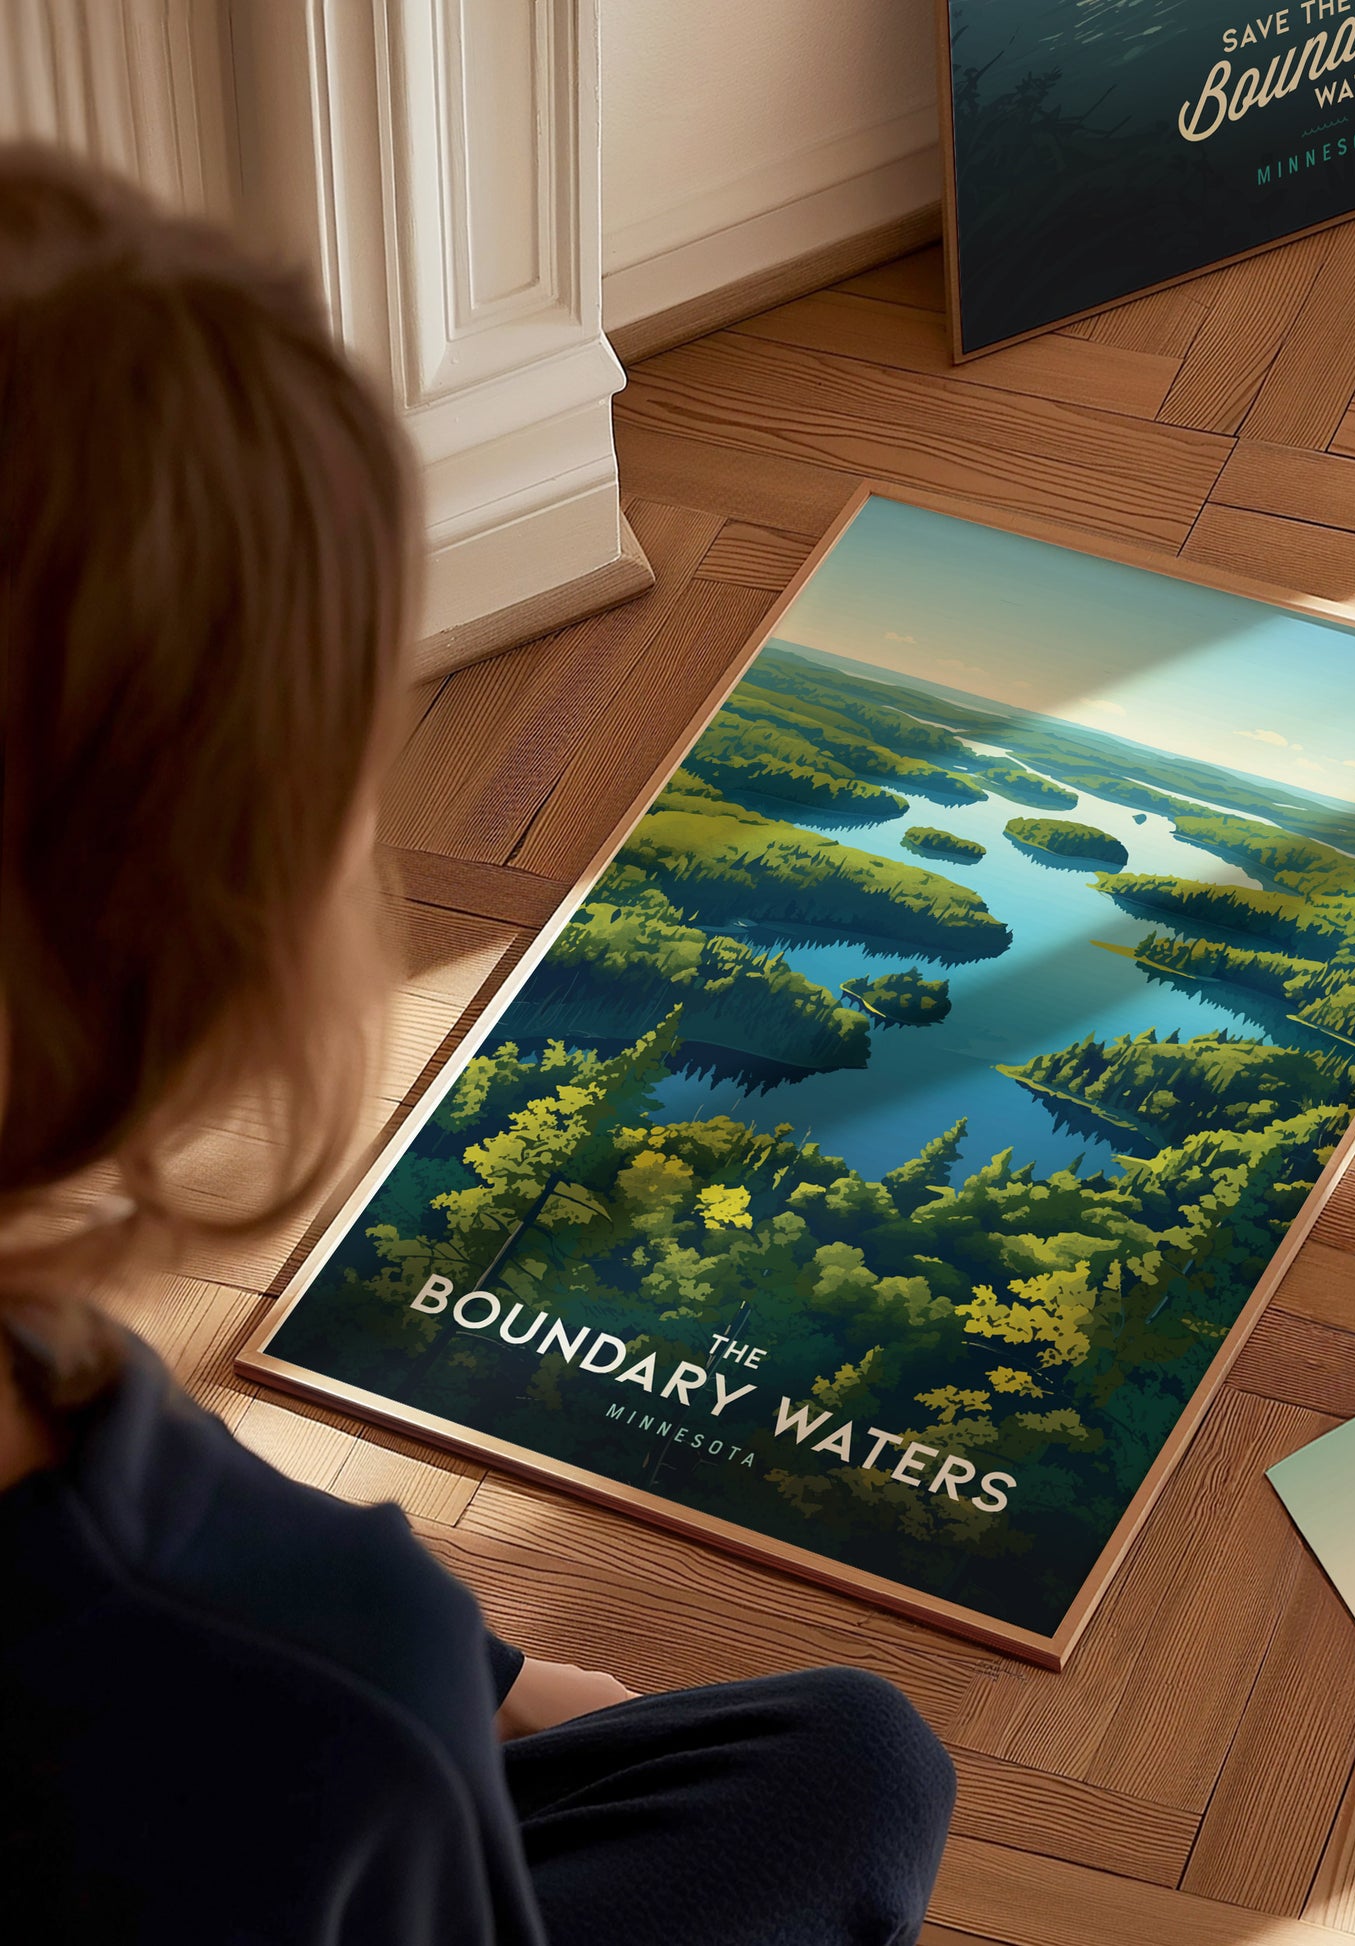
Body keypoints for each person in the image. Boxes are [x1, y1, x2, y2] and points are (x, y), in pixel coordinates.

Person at [0, 146, 956, 1944]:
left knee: (829, 1761)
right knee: (852, 1769)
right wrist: (434, 1687)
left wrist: (483, 1667)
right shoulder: (312, 1700)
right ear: (211, 928)